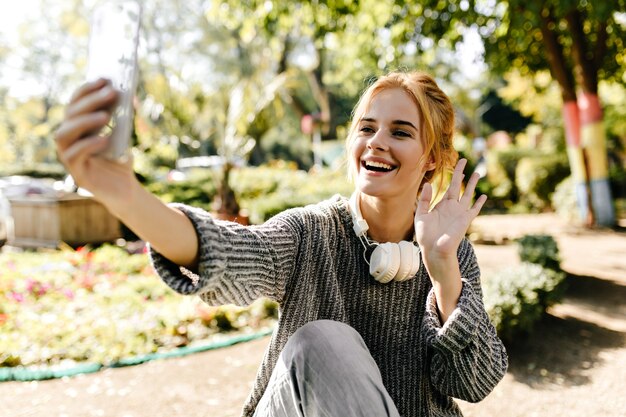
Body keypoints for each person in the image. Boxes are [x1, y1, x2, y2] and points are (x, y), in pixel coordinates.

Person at [55, 71, 507, 417]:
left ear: (430, 159)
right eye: (366, 128)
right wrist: (123, 194)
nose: (376, 143)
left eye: (401, 132)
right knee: (322, 342)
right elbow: (227, 253)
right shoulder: (310, 233)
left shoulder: (449, 251)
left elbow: (476, 382)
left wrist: (444, 270)